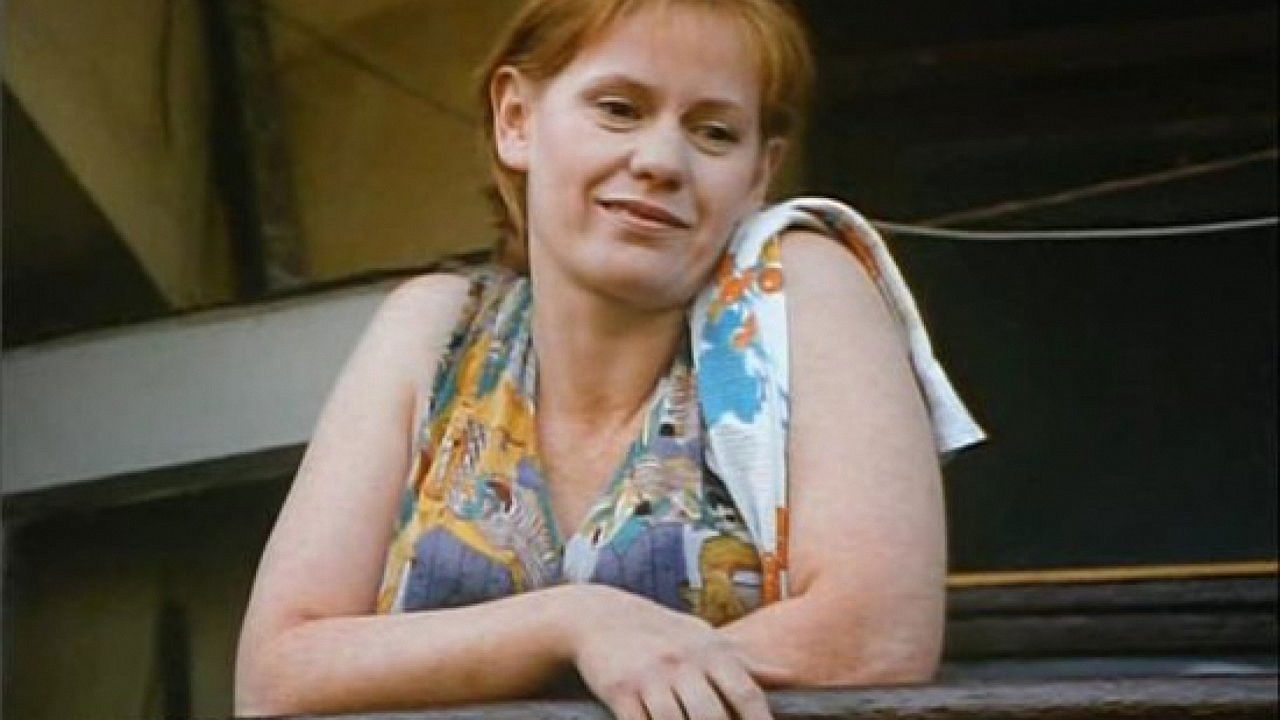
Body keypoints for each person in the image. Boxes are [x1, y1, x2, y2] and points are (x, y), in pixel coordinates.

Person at [234, 1, 982, 718]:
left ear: (759, 174)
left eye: (714, 133)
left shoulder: (797, 291)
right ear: (516, 119)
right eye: (620, 109)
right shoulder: (433, 330)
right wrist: (573, 624)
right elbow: (276, 673)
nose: (661, 161)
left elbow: (873, 636)